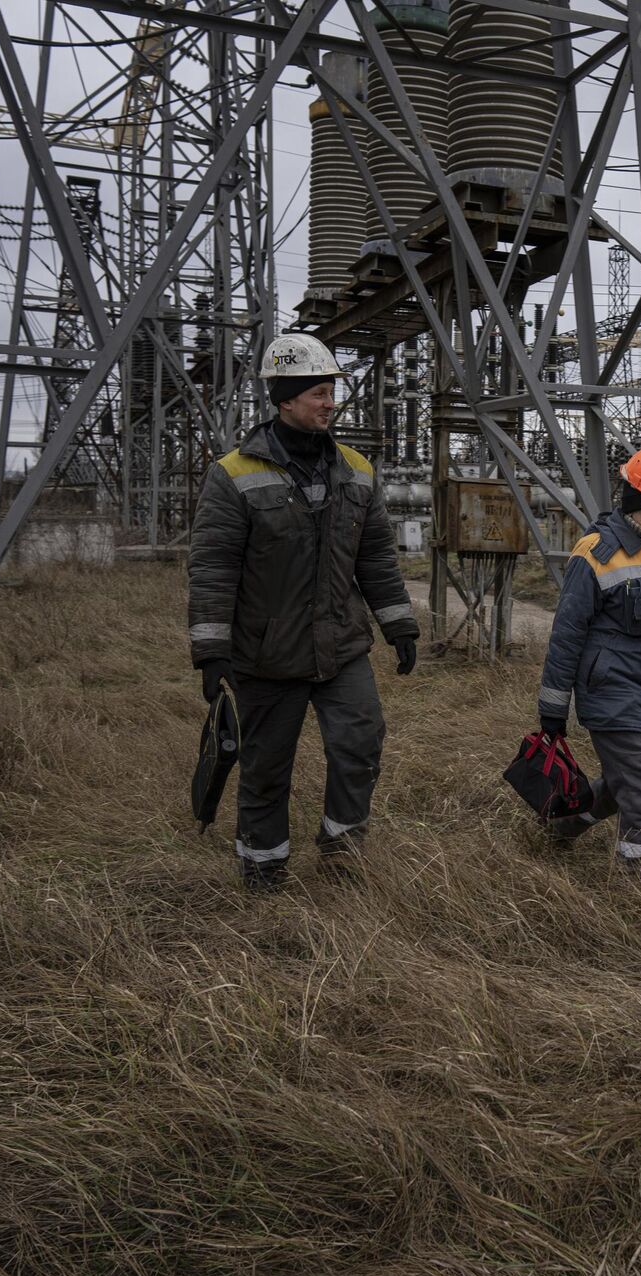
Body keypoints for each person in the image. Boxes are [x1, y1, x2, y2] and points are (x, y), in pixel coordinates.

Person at [187, 333, 420, 893]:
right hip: (267, 652)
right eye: (319, 392)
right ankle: (263, 868)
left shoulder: (356, 470)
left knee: (360, 745)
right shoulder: (234, 474)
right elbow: (213, 567)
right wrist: (212, 651)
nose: (330, 402)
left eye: (331, 391)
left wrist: (399, 624)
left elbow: (375, 555)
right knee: (266, 766)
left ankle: (343, 854)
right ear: (287, 398)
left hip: (341, 646)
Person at [536, 445, 641, 869]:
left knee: (622, 783)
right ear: (634, 502)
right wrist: (553, 709)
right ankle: (635, 883)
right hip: (611, 696)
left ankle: (562, 825)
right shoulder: (595, 553)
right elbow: (566, 636)